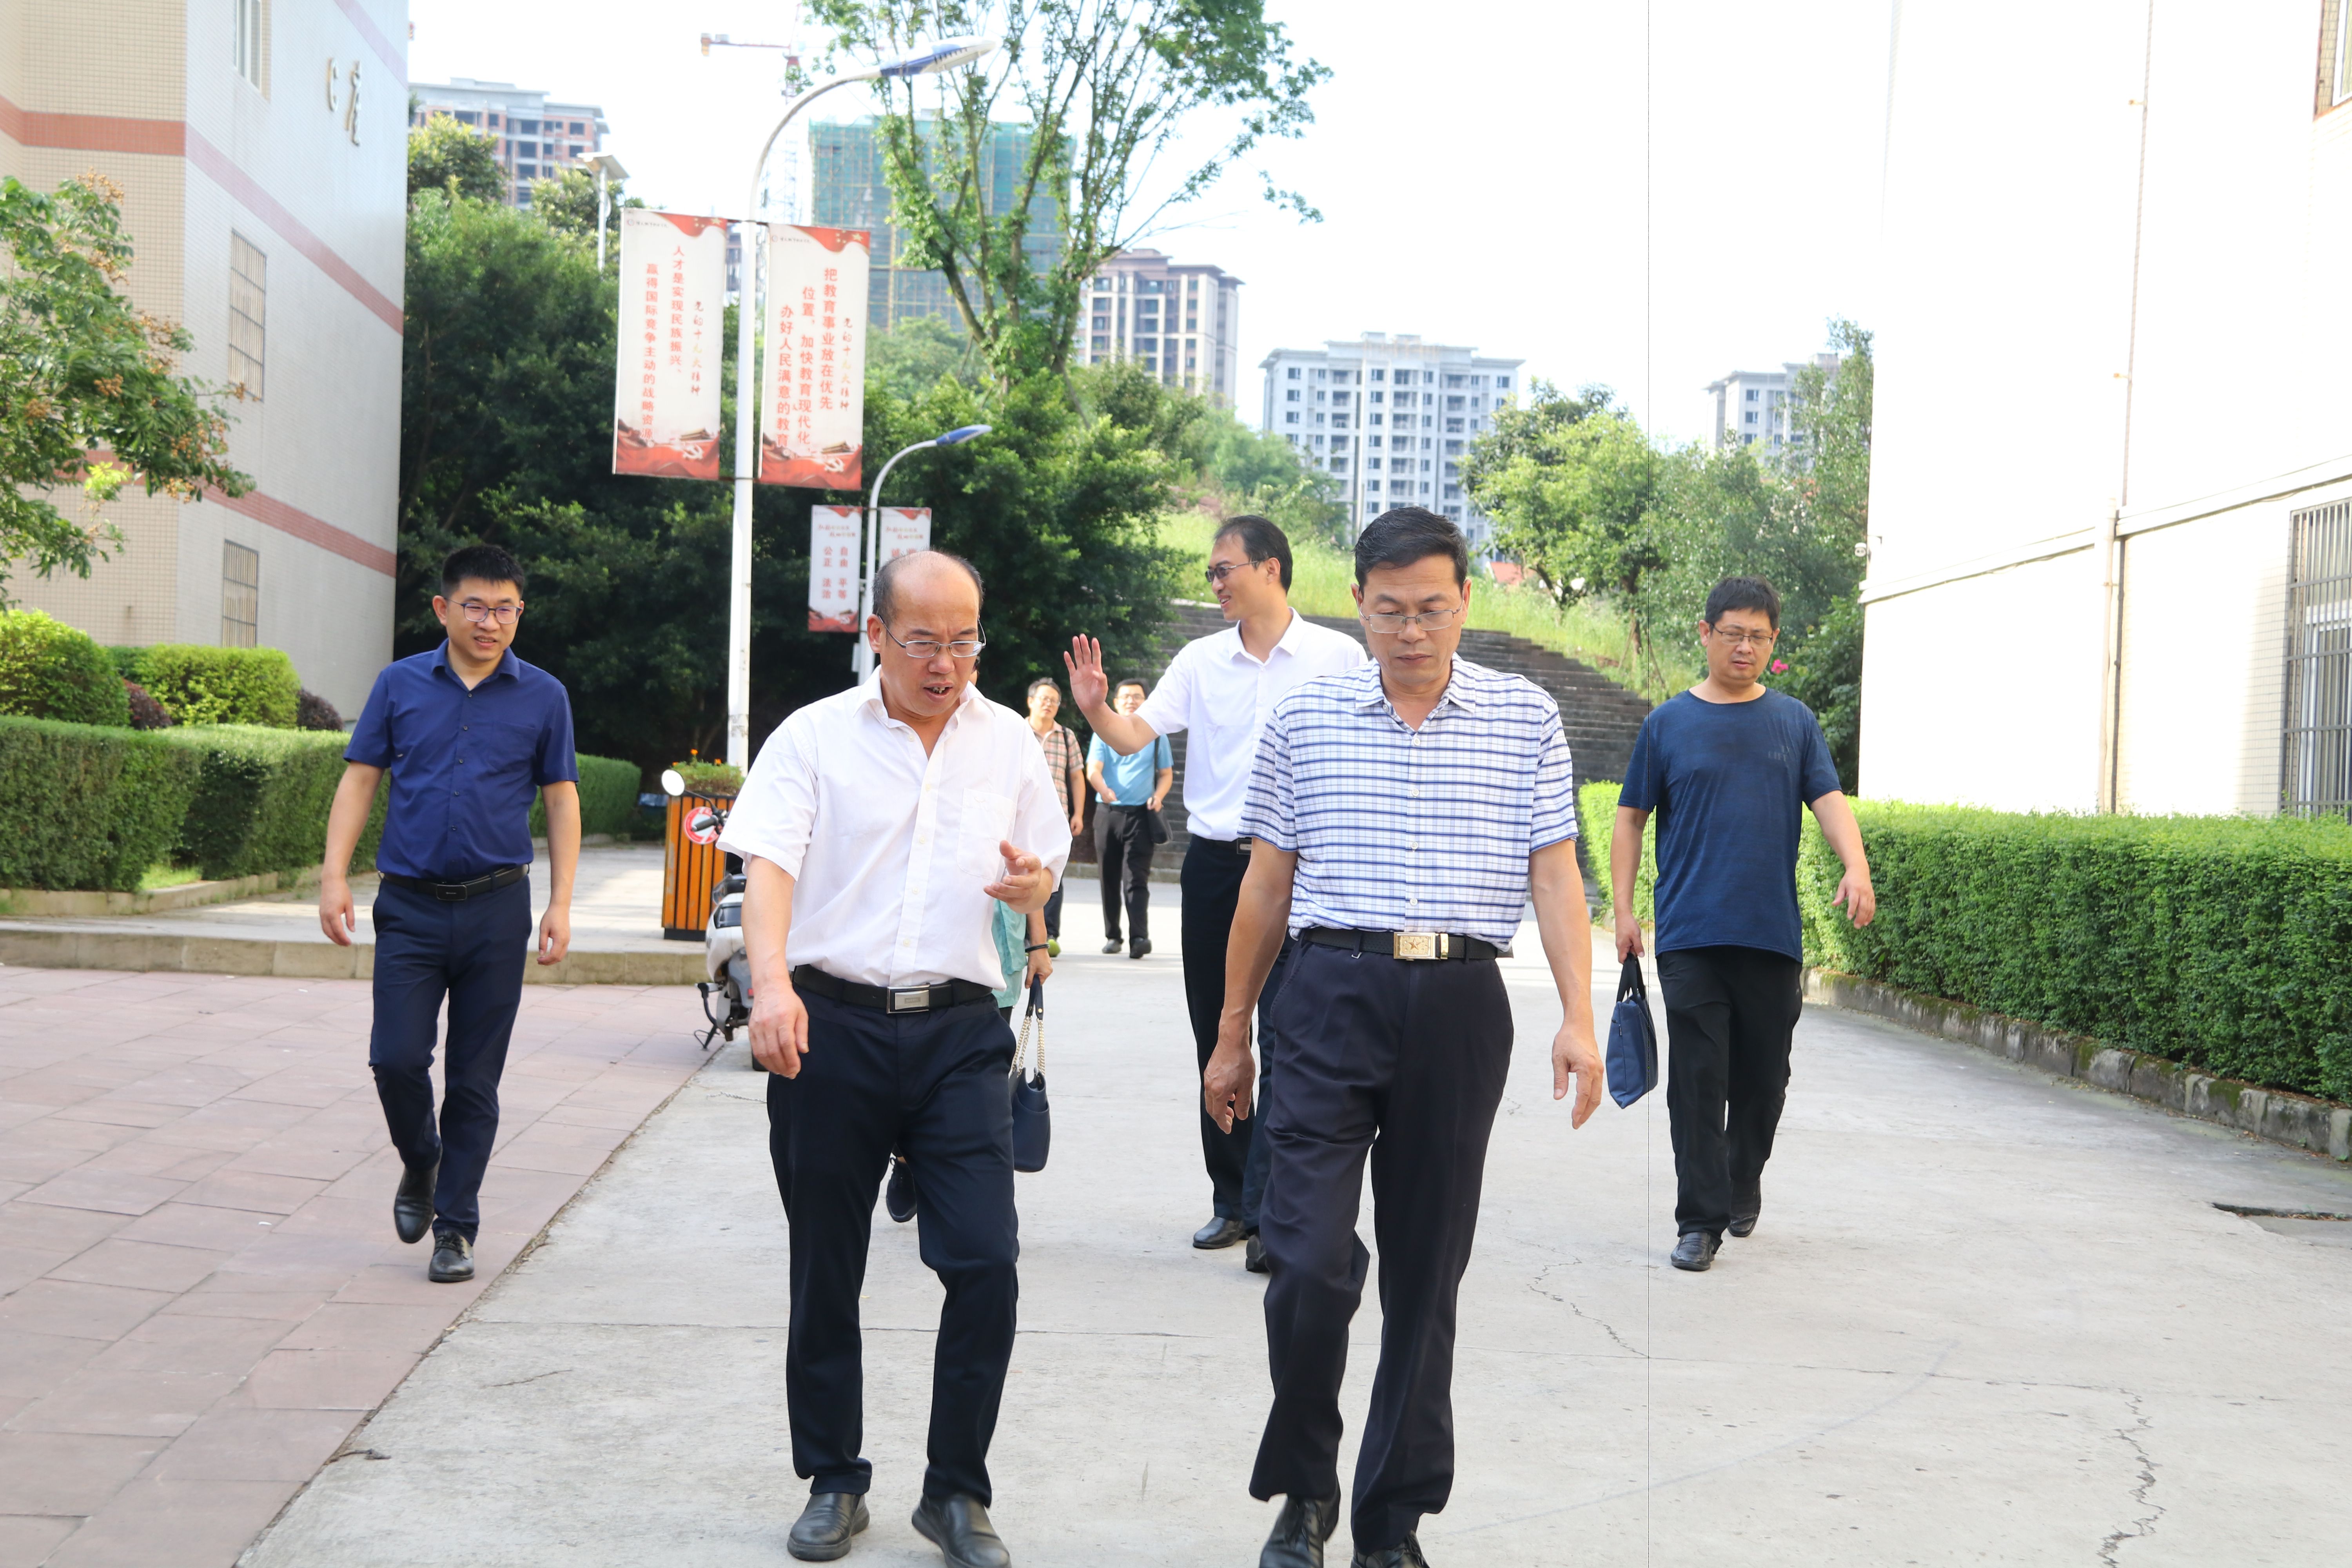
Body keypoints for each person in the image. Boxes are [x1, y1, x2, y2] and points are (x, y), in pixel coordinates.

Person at [1206, 507, 1605, 1568]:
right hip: (1326, 992)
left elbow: (1555, 874)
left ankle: (1391, 1522)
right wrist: (1233, 1032)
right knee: (1304, 1260)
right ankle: (1305, 1492)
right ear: (1358, 605)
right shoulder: (1306, 717)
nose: (1412, 631)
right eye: (1390, 611)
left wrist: (1578, 1015)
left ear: (1466, 601)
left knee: (1427, 1275)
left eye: (1432, 609)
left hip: (1462, 1005)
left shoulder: (1526, 717)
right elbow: (1266, 884)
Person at [719, 550, 1070, 1568]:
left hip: (961, 1031)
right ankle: (834, 1478)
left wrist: (1034, 890)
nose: (946, 662)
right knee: (827, 1262)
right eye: (923, 641)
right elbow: (769, 867)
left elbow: (1043, 862)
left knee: (986, 1260)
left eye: (964, 641)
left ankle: (956, 1490)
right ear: (875, 634)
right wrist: (772, 985)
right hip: (831, 1025)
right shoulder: (814, 737)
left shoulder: (1008, 743)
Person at [1067, 514, 1363, 1255]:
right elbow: (1134, 735)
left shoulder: (1337, 657)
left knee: (1289, 1037)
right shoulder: (1201, 661)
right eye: (1211, 573)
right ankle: (1231, 1199)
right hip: (1215, 867)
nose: (1215, 583)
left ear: (1270, 568)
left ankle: (1270, 1212)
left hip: (1301, 872)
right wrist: (1096, 705)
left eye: (1223, 569)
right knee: (1218, 1033)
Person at [318, 543, 579, 1286]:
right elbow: (360, 780)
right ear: (443, 609)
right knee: (396, 1058)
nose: (490, 622)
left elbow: (561, 798)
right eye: (475, 606)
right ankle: (422, 1158)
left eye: (505, 609)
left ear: (519, 614)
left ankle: (456, 1227)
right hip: (409, 907)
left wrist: (561, 902)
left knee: (473, 1081)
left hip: (498, 909)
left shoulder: (545, 696)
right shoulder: (399, 684)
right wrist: (333, 877)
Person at [1612, 575, 1877, 1274]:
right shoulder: (1667, 725)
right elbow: (1631, 819)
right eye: (1733, 633)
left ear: (1773, 642)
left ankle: (1742, 1177)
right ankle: (1699, 1223)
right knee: (1698, 1080)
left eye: (1759, 636)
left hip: (1769, 933)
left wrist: (1857, 866)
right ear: (1706, 633)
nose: (1745, 647)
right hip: (1691, 934)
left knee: (1763, 1079)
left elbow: (1829, 800)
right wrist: (1625, 909)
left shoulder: (1794, 722)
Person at [887, 901, 1050, 1226]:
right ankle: (905, 1157)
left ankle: (973, 1197)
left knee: (979, 1094)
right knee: (905, 1075)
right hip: (936, 955)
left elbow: (1031, 875)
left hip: (1000, 954)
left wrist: (1039, 943)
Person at [1086, 678, 1172, 958]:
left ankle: (1140, 938)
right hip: (1107, 814)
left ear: (1146, 702)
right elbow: (1093, 769)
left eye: (1137, 697)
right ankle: (1113, 936)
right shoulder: (1103, 732)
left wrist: (1158, 796)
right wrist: (1103, 789)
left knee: (1136, 878)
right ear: (1115, 702)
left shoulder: (1156, 735)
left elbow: (1166, 775)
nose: (1131, 701)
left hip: (1141, 817)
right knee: (1108, 877)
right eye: (1125, 697)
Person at [1024, 679, 1086, 953]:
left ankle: (1049, 935)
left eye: (1054, 701)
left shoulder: (1067, 736)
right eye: (1044, 699)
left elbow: (1077, 777)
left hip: (1057, 817)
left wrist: (1078, 813)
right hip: (1023, 815)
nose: (1049, 704)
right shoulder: (1017, 731)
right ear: (1031, 702)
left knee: (1053, 874)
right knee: (1020, 873)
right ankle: (1023, 935)